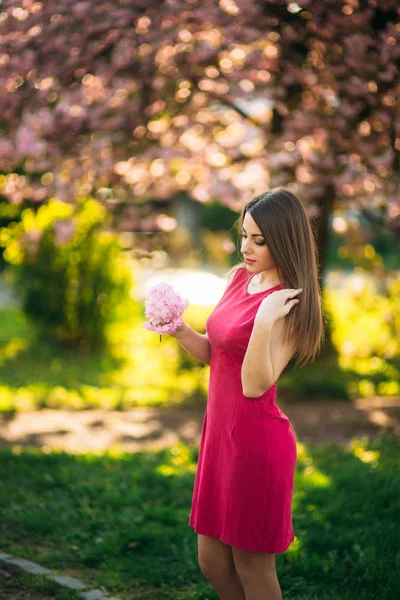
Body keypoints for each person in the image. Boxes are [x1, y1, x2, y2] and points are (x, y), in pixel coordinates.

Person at [169, 188, 325, 600]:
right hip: (219, 436)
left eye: (259, 240)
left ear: (285, 240)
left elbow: (255, 384)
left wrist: (265, 318)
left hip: (256, 441)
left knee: (252, 567)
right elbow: (217, 354)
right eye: (244, 235)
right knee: (212, 562)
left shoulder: (291, 302)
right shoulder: (241, 278)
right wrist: (180, 328)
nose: (246, 247)